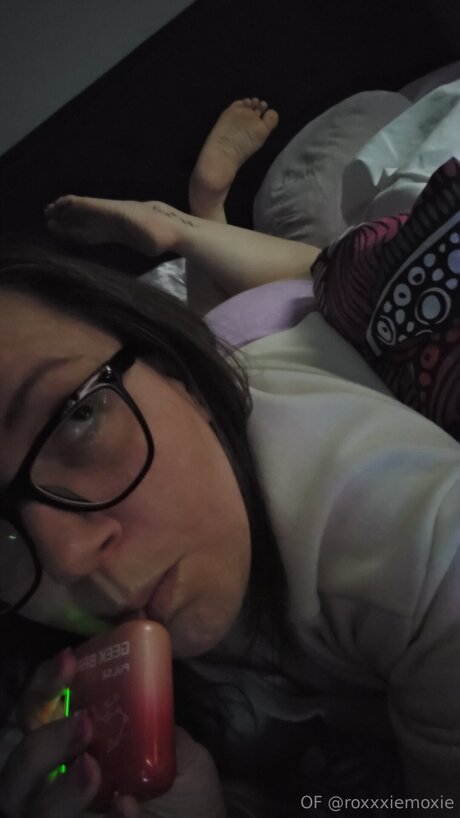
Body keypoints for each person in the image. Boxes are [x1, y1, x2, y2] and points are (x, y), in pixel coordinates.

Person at [0, 98, 459, 818]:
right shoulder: (38, 627)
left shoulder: (424, 554)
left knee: (326, 273)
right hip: (219, 365)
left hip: (272, 334)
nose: (68, 559)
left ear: (176, 372)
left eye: (76, 416)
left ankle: (191, 218)